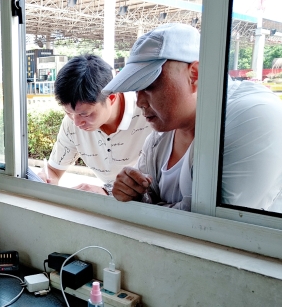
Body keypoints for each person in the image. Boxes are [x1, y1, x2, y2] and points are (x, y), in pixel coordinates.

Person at [104, 23, 282, 212]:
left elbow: (209, 221)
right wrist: (134, 192)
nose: (139, 102)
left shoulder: (254, 116)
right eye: (136, 89)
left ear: (195, 75)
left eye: (149, 86)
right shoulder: (161, 135)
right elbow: (150, 198)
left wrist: (144, 204)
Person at [38, 54, 152, 194]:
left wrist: (107, 192)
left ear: (111, 98)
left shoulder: (149, 115)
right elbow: (54, 170)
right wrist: (46, 178)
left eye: (85, 114)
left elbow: (160, 186)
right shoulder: (71, 123)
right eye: (68, 112)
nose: (77, 122)